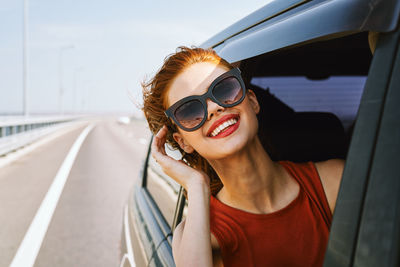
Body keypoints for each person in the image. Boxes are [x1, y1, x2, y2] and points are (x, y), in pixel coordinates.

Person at [142, 46, 344, 267]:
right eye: (190, 110)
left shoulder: (334, 181)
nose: (214, 108)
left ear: (252, 101)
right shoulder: (199, 237)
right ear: (184, 142)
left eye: (224, 89)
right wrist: (196, 184)